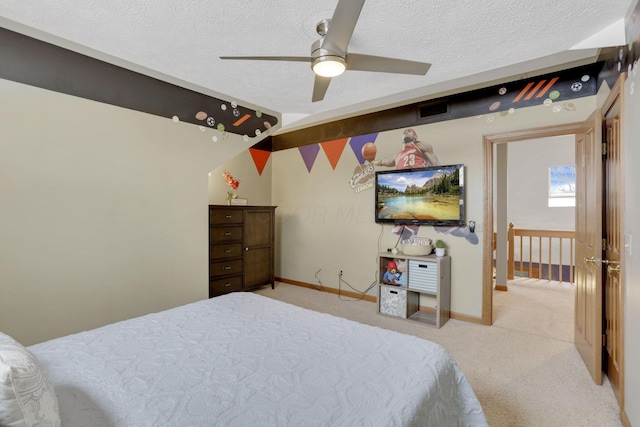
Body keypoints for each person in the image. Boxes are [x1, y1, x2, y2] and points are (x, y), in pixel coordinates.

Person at [374, 128, 440, 169]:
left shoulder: (420, 145)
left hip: (418, 175)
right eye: (404, 132)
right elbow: (381, 162)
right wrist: (371, 162)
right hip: (404, 178)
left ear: (415, 136)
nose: (406, 132)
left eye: (409, 131)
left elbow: (435, 163)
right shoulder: (397, 155)